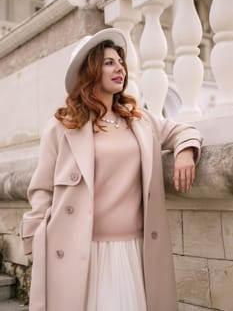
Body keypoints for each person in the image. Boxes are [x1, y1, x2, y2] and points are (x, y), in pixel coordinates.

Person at [21, 28, 202, 311]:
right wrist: (35, 242)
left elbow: (183, 130)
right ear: (90, 71)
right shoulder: (62, 126)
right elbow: (41, 189)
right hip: (80, 252)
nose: (120, 68)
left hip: (133, 251)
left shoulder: (140, 121)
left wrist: (185, 152)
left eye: (120, 61)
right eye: (109, 62)